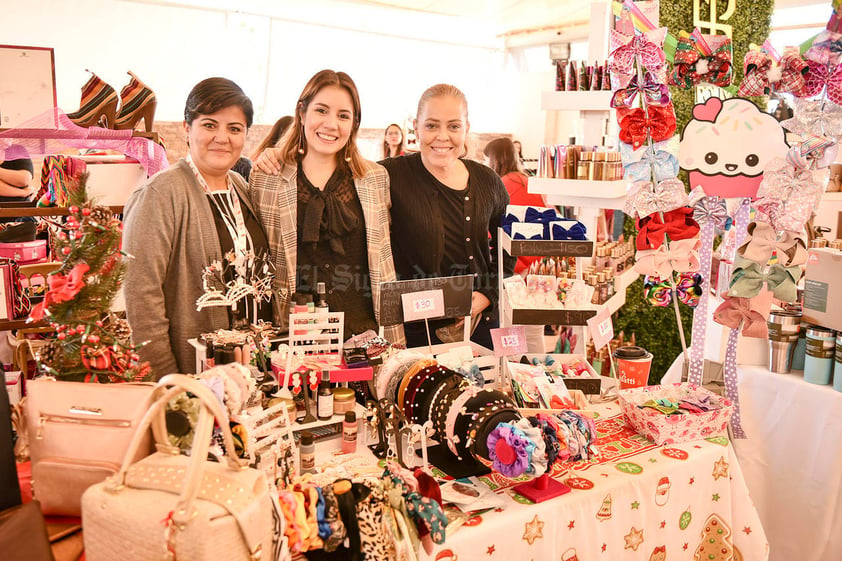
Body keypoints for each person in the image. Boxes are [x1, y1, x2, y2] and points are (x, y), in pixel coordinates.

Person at [123, 77, 271, 377]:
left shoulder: (240, 187)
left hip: (253, 367)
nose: (222, 137)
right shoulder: (160, 194)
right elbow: (141, 299)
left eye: (234, 128)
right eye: (209, 125)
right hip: (195, 378)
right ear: (186, 128)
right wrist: (168, 379)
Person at [249, 70, 403, 343]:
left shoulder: (375, 178)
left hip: (365, 336)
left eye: (343, 115)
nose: (332, 124)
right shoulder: (267, 178)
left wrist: (394, 339)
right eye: (321, 110)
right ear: (302, 112)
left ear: (354, 123)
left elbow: (384, 262)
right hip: (294, 341)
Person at [379, 84, 514, 349]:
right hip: (415, 333)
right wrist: (279, 154)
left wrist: (488, 294)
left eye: (453, 126)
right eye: (431, 126)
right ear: (416, 127)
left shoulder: (489, 181)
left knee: (486, 390)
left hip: (479, 325)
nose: (442, 136)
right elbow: (337, 170)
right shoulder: (390, 175)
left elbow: (507, 248)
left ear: (466, 128)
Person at [484, 136, 545, 273]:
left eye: (486, 159)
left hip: (514, 257)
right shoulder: (527, 181)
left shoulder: (503, 184)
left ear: (494, 160)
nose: (484, 163)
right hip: (536, 256)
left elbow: (491, 225)